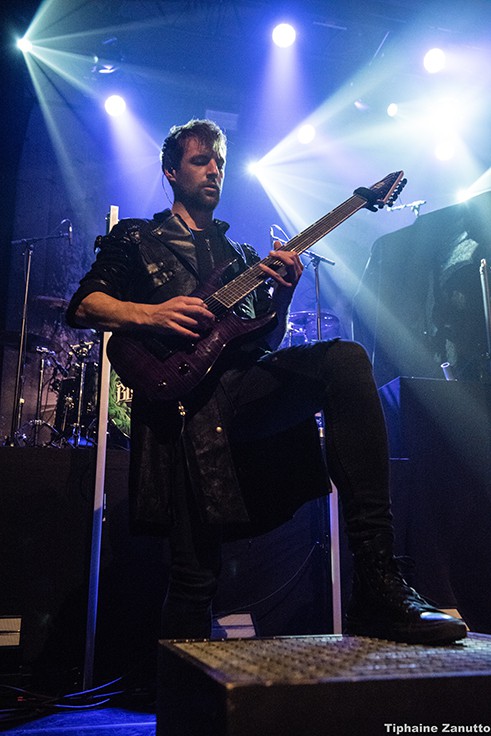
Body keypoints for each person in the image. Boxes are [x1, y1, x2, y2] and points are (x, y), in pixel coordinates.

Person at [67, 118, 466, 644]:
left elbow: (262, 341)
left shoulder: (240, 258)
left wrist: (283, 294)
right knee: (194, 577)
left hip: (240, 393)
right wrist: (153, 313)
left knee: (344, 360)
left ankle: (378, 578)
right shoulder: (137, 237)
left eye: (220, 162)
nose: (214, 170)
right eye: (200, 161)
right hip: (183, 413)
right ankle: (176, 684)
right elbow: (84, 305)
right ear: (171, 172)